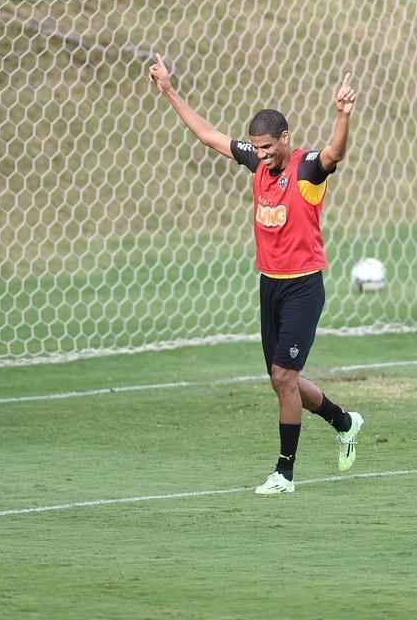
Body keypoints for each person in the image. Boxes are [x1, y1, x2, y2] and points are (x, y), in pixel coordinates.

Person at [148, 54, 363, 495]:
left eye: (268, 147)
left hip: (303, 286)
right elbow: (209, 135)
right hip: (270, 285)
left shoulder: (306, 169)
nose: (262, 155)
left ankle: (284, 472)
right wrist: (169, 90)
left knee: (284, 377)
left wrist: (342, 115)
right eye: (256, 148)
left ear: (285, 138)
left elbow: (335, 152)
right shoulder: (257, 163)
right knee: (283, 380)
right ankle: (343, 421)